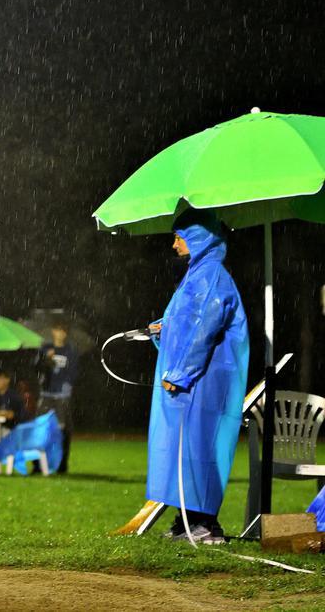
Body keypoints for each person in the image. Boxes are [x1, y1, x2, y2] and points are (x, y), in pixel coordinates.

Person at [147, 209, 249, 544]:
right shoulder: (197, 275)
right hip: (192, 383)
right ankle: (186, 520)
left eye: (181, 237)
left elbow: (203, 330)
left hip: (204, 382)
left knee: (200, 450)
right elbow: (185, 326)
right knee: (184, 450)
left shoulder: (210, 277)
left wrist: (180, 372)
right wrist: (163, 330)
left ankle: (205, 525)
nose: (175, 244)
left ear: (200, 238)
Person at [36, 321, 78, 473]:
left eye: (62, 330)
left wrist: (64, 382)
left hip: (62, 396)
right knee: (40, 428)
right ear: (53, 331)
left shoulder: (70, 351)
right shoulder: (45, 349)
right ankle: (38, 465)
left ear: (65, 333)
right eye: (56, 329)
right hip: (46, 394)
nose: (59, 333)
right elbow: (36, 368)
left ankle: (62, 466)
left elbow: (74, 374)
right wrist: (46, 360)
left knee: (63, 430)